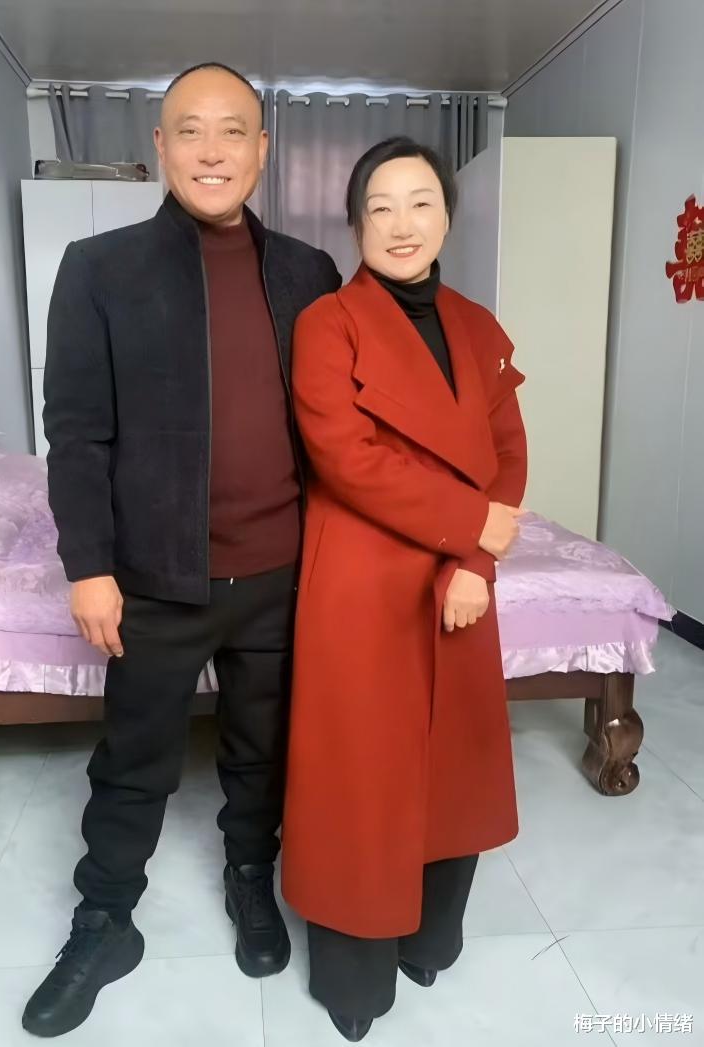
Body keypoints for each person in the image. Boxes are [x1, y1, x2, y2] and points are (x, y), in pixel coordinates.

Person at [22, 63, 340, 1038]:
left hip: (281, 571)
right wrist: (88, 565)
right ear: (160, 147)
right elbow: (77, 433)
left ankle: (251, 876)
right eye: (190, 131)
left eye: (232, 130)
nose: (212, 150)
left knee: (262, 748)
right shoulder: (98, 267)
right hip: (156, 575)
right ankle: (105, 919)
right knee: (135, 758)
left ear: (262, 150)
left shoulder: (309, 273)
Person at [280, 136, 527, 1041]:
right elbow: (346, 459)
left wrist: (476, 564)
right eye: (379, 207)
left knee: (451, 765)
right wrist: (470, 529)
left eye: (420, 202)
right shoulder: (328, 323)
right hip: (363, 580)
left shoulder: (476, 325)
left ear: (447, 217)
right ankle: (356, 975)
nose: (401, 224)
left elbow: (507, 453)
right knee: (362, 778)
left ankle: (430, 937)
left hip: (459, 583)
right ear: (354, 224)